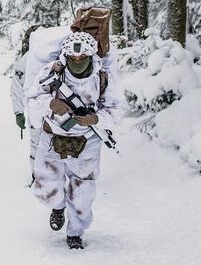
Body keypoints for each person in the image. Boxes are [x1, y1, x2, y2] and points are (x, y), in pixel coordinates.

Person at [25, 31, 120, 249]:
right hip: (52, 137)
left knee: (83, 193)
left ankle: (75, 232)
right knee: (45, 188)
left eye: (82, 57)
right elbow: (31, 99)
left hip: (87, 141)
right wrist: (50, 103)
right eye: (73, 57)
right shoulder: (52, 71)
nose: (77, 60)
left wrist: (96, 118)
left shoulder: (101, 77)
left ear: (91, 56)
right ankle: (58, 206)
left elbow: (116, 109)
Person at [10, 24, 43, 184]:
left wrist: (19, 112)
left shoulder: (27, 58)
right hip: (49, 109)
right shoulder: (28, 59)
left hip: (41, 109)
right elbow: (17, 86)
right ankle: (40, 177)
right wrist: (18, 112)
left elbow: (16, 87)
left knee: (38, 144)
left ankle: (40, 177)